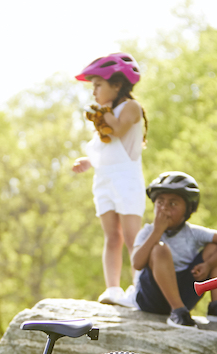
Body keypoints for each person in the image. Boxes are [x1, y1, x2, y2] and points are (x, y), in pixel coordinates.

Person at [72, 53, 148, 307]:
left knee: (130, 236)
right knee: (111, 236)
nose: (93, 91)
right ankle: (113, 289)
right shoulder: (104, 113)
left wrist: (102, 115)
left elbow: (118, 131)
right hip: (104, 179)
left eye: (98, 85)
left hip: (127, 179)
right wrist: (88, 161)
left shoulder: (130, 108)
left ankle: (140, 290)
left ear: (117, 85)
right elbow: (105, 148)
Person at [131, 172, 217, 328]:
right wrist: (157, 232)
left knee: (215, 248)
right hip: (151, 299)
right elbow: (137, 263)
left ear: (188, 209)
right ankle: (178, 311)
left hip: (185, 293)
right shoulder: (147, 232)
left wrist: (208, 265)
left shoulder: (192, 232)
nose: (165, 209)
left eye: (173, 204)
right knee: (159, 250)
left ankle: (216, 306)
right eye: (160, 202)